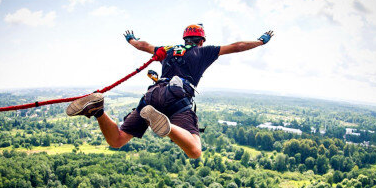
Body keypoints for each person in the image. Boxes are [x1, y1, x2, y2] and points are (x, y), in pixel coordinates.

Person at [66, 24, 273, 159]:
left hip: (152, 94)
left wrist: (131, 39)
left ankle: (98, 110)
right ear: (201, 41)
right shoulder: (204, 51)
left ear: (184, 39)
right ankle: (166, 127)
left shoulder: (168, 50)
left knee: (117, 140)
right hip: (177, 97)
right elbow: (237, 46)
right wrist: (260, 41)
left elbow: (144, 45)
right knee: (194, 151)